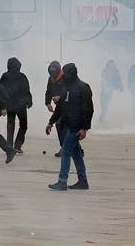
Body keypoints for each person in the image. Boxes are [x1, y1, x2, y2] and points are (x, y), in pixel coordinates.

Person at [46, 63, 93, 191]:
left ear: (70, 74)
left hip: (76, 127)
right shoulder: (66, 87)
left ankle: (62, 181)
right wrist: (51, 122)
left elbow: (89, 110)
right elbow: (60, 108)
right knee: (76, 153)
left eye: (64, 73)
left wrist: (84, 128)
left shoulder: (83, 88)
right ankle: (83, 181)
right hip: (68, 125)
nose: (62, 76)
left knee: (66, 151)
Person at [0, 57, 32, 154]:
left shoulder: (5, 76)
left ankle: (9, 146)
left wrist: (3, 105)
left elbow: (1, 90)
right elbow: (27, 90)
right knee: (23, 125)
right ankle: (17, 145)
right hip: (21, 105)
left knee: (10, 125)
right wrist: (29, 101)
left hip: (10, 105)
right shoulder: (22, 76)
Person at [45, 61, 65, 157]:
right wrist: (48, 103)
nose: (52, 73)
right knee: (61, 126)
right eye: (51, 71)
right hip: (60, 106)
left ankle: (65, 148)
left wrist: (60, 97)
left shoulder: (65, 78)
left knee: (60, 125)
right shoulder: (51, 79)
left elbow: (70, 93)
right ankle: (69, 148)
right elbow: (48, 91)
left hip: (68, 106)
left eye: (54, 71)